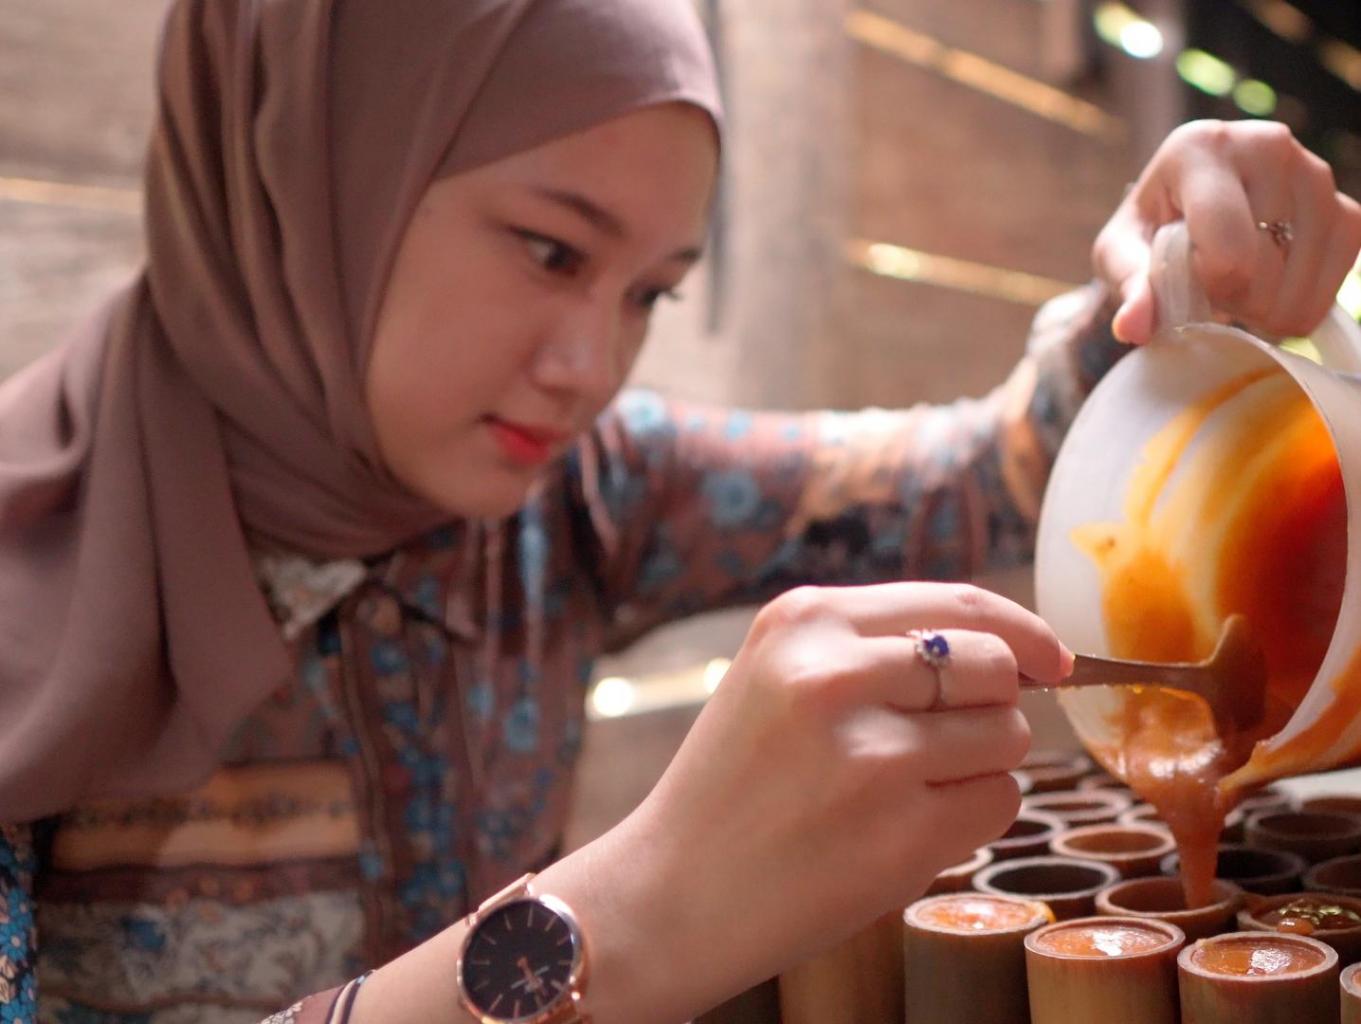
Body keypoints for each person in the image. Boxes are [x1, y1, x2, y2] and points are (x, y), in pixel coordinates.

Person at [0, 1, 1357, 1022]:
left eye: (649, 291)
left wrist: (1169, 283)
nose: (591, 365)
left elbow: (980, 476)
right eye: (551, 251)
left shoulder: (580, 486)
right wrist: (630, 912)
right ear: (306, 169)